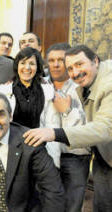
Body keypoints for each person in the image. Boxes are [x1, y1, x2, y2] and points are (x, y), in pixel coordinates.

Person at [24, 45, 112, 212]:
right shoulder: (41, 84)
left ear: (95, 61)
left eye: (79, 64)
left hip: (79, 155)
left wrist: (64, 116)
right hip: (59, 155)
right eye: (70, 67)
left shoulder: (103, 84)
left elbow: (101, 128)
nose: (75, 71)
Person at [0, 47, 61, 167]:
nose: (27, 68)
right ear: (17, 66)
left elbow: (52, 125)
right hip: (11, 150)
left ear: (38, 68)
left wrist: (54, 162)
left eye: (32, 63)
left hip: (40, 150)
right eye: (23, 63)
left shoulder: (48, 91)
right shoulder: (3, 91)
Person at [45, 43, 90, 212]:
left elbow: (89, 124)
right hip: (48, 154)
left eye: (60, 60)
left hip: (75, 156)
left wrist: (67, 111)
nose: (56, 64)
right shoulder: (41, 85)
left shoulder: (82, 86)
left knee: (72, 205)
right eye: (51, 60)